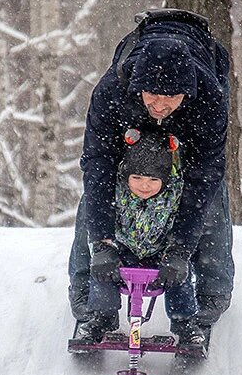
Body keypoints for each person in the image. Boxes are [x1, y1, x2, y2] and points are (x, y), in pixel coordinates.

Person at [68, 9, 235, 360]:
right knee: (95, 198)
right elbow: (97, 168)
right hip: (127, 133)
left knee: (212, 201)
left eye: (170, 98)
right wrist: (102, 242)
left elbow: (204, 176)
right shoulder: (111, 92)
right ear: (138, 87)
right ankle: (90, 308)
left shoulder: (209, 98)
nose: (161, 105)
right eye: (153, 97)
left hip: (188, 137)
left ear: (185, 94)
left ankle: (205, 305)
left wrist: (179, 250)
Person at [76, 127, 201, 354]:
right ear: (127, 175)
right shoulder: (115, 191)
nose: (145, 185)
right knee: (103, 272)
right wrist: (105, 248)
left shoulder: (176, 194)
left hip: (159, 251)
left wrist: (176, 253)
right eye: (137, 178)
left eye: (154, 179)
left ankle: (185, 323)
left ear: (164, 179)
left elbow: (186, 222)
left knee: (179, 276)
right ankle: (101, 317)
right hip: (124, 249)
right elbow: (101, 216)